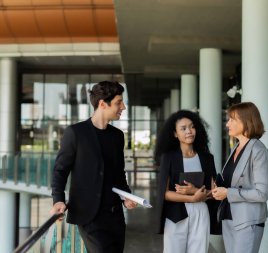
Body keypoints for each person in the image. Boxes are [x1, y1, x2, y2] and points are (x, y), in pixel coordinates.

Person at [50, 81, 137, 253]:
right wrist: (58, 199)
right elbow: (60, 170)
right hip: (88, 216)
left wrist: (126, 196)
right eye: (119, 102)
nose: (123, 107)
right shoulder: (75, 133)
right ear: (103, 104)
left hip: (115, 217)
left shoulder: (117, 136)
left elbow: (119, 173)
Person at [155, 110, 221, 253]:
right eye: (183, 128)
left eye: (192, 127)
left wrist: (196, 193)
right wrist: (192, 197)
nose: (189, 131)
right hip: (175, 215)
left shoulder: (206, 158)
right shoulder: (169, 157)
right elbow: (164, 193)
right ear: (175, 134)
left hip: (201, 213)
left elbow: (214, 191)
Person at [212, 102, 268, 253]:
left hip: (247, 221)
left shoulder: (258, 150)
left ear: (246, 121)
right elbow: (231, 182)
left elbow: (262, 194)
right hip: (229, 217)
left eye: (232, 119)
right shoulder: (236, 148)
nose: (227, 124)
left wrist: (228, 193)